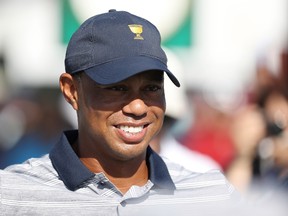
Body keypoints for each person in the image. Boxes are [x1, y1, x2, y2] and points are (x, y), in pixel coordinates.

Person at [0, 9, 240, 215]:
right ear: (72, 91)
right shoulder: (11, 196)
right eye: (116, 88)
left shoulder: (212, 195)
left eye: (152, 88)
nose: (137, 107)